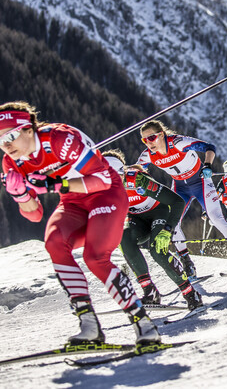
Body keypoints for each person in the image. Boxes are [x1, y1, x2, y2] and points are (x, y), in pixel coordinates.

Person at [0, 101, 160, 345]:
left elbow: (103, 179)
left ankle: (143, 324)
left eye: (9, 135)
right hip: (73, 203)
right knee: (54, 242)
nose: (6, 145)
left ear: (28, 129)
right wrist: (20, 195)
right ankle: (89, 325)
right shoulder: (12, 163)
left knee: (95, 257)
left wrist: (53, 184)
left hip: (105, 195)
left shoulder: (60, 139)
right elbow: (35, 214)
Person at [136, 120, 227, 272]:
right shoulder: (148, 155)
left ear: (161, 135)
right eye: (144, 140)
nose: (148, 143)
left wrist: (207, 165)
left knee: (215, 217)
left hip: (200, 182)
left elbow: (209, 147)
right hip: (180, 187)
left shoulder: (178, 143)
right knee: (172, 223)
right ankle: (187, 263)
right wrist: (140, 184)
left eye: (151, 138)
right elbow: (137, 172)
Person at [103, 149, 203, 310]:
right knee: (123, 239)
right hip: (137, 219)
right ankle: (150, 292)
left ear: (122, 172)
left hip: (159, 213)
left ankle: (191, 294)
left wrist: (168, 230)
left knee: (158, 251)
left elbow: (176, 202)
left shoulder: (137, 180)